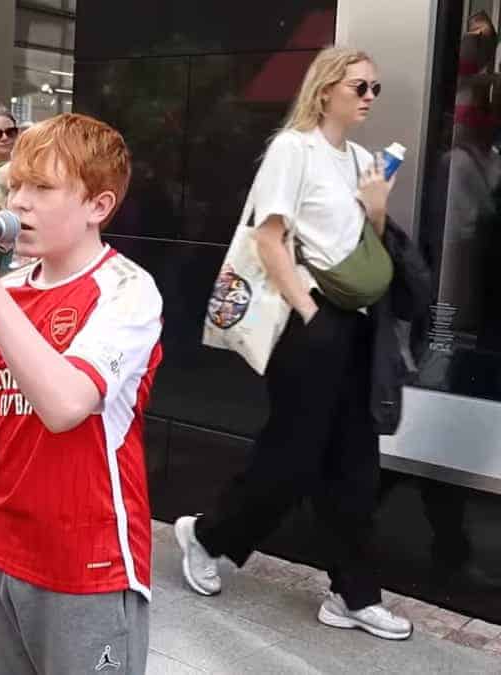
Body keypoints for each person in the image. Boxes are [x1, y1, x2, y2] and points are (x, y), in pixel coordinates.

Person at [173, 46, 414, 641]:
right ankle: (206, 536)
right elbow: (269, 236)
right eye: (359, 86)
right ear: (326, 87)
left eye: (375, 90)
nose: (368, 98)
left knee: (356, 462)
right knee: (292, 455)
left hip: (356, 323)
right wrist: (309, 312)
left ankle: (353, 595)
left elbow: (364, 247)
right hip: (309, 321)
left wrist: (378, 211)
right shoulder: (293, 148)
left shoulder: (359, 157)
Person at [0, 112, 157, 675]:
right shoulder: (8, 291)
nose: (20, 202)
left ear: (97, 207)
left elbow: (63, 406)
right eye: (15, 186)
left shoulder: (127, 290)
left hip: (88, 564)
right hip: (2, 556)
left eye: (43, 187)